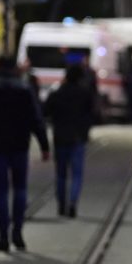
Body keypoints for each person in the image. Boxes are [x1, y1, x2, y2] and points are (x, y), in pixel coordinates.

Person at [0, 55, 50, 252]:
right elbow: (36, 117)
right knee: (20, 190)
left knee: (0, 191)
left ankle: (2, 236)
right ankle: (17, 231)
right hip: (19, 146)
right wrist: (44, 145)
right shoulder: (24, 88)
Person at [44, 63, 93, 218]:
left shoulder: (57, 93)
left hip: (60, 138)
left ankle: (61, 205)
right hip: (78, 138)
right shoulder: (85, 93)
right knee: (77, 174)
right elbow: (91, 114)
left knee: (61, 174)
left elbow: (45, 111)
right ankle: (72, 203)